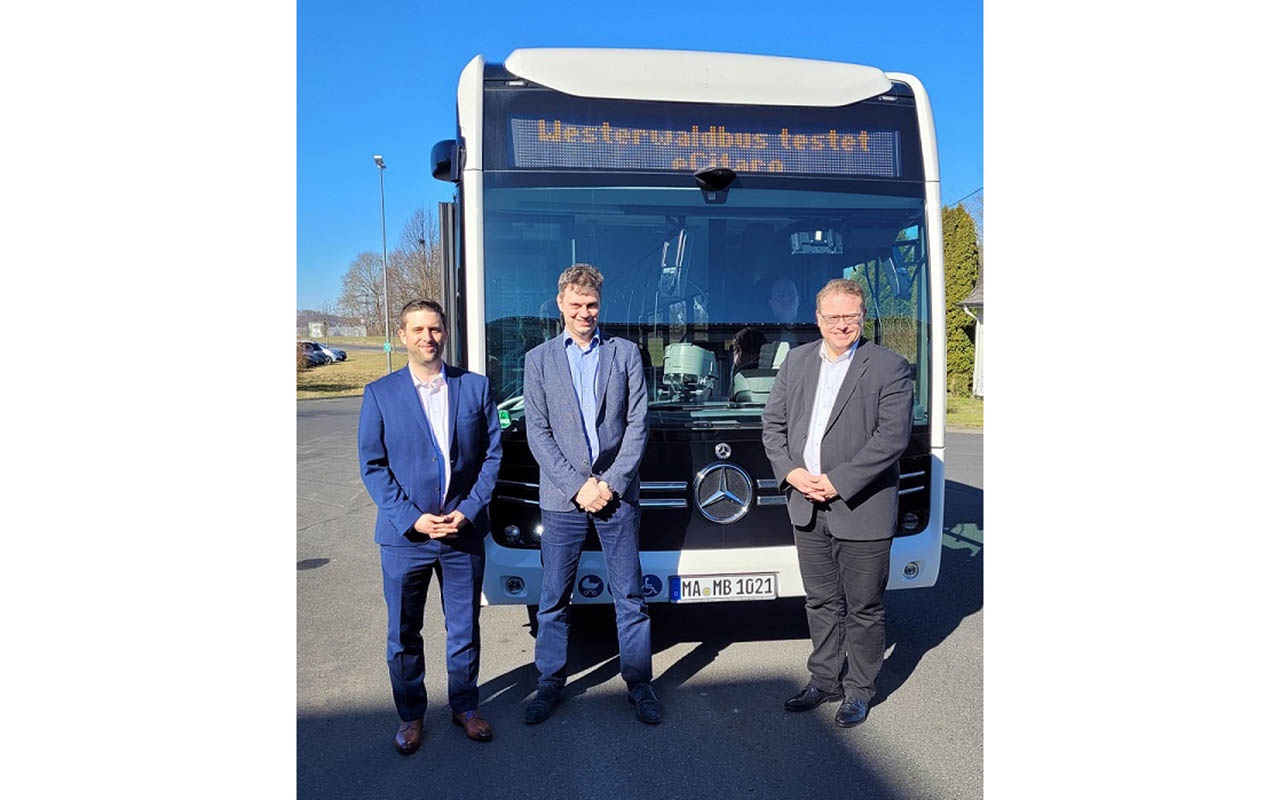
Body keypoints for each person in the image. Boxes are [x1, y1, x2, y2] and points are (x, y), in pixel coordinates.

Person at [760, 278, 913, 728]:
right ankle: (824, 679)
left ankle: (859, 690)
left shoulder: (889, 366)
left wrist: (838, 481)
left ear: (862, 317)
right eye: (833, 317)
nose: (842, 325)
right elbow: (773, 423)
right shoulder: (797, 362)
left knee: (864, 607)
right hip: (805, 503)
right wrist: (790, 472)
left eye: (851, 317)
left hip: (861, 507)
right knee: (821, 601)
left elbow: (892, 438)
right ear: (818, 319)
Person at [357, 299, 502, 754]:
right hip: (406, 538)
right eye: (417, 330)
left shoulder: (475, 389)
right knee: (403, 634)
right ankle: (410, 715)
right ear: (402, 335)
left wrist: (470, 509)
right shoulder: (380, 394)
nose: (428, 337)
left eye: (435, 329)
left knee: (463, 627)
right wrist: (412, 517)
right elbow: (373, 466)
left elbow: (492, 456)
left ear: (445, 333)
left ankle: (464, 705)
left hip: (462, 531)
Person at [520, 263, 663, 726]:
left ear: (601, 306)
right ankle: (549, 684)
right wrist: (578, 486)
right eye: (577, 304)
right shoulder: (538, 360)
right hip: (562, 499)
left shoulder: (624, 354)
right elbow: (537, 433)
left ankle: (640, 683)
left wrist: (610, 483)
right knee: (553, 599)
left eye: (592, 305)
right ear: (560, 303)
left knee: (630, 596)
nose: (585, 312)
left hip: (616, 495)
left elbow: (639, 425)